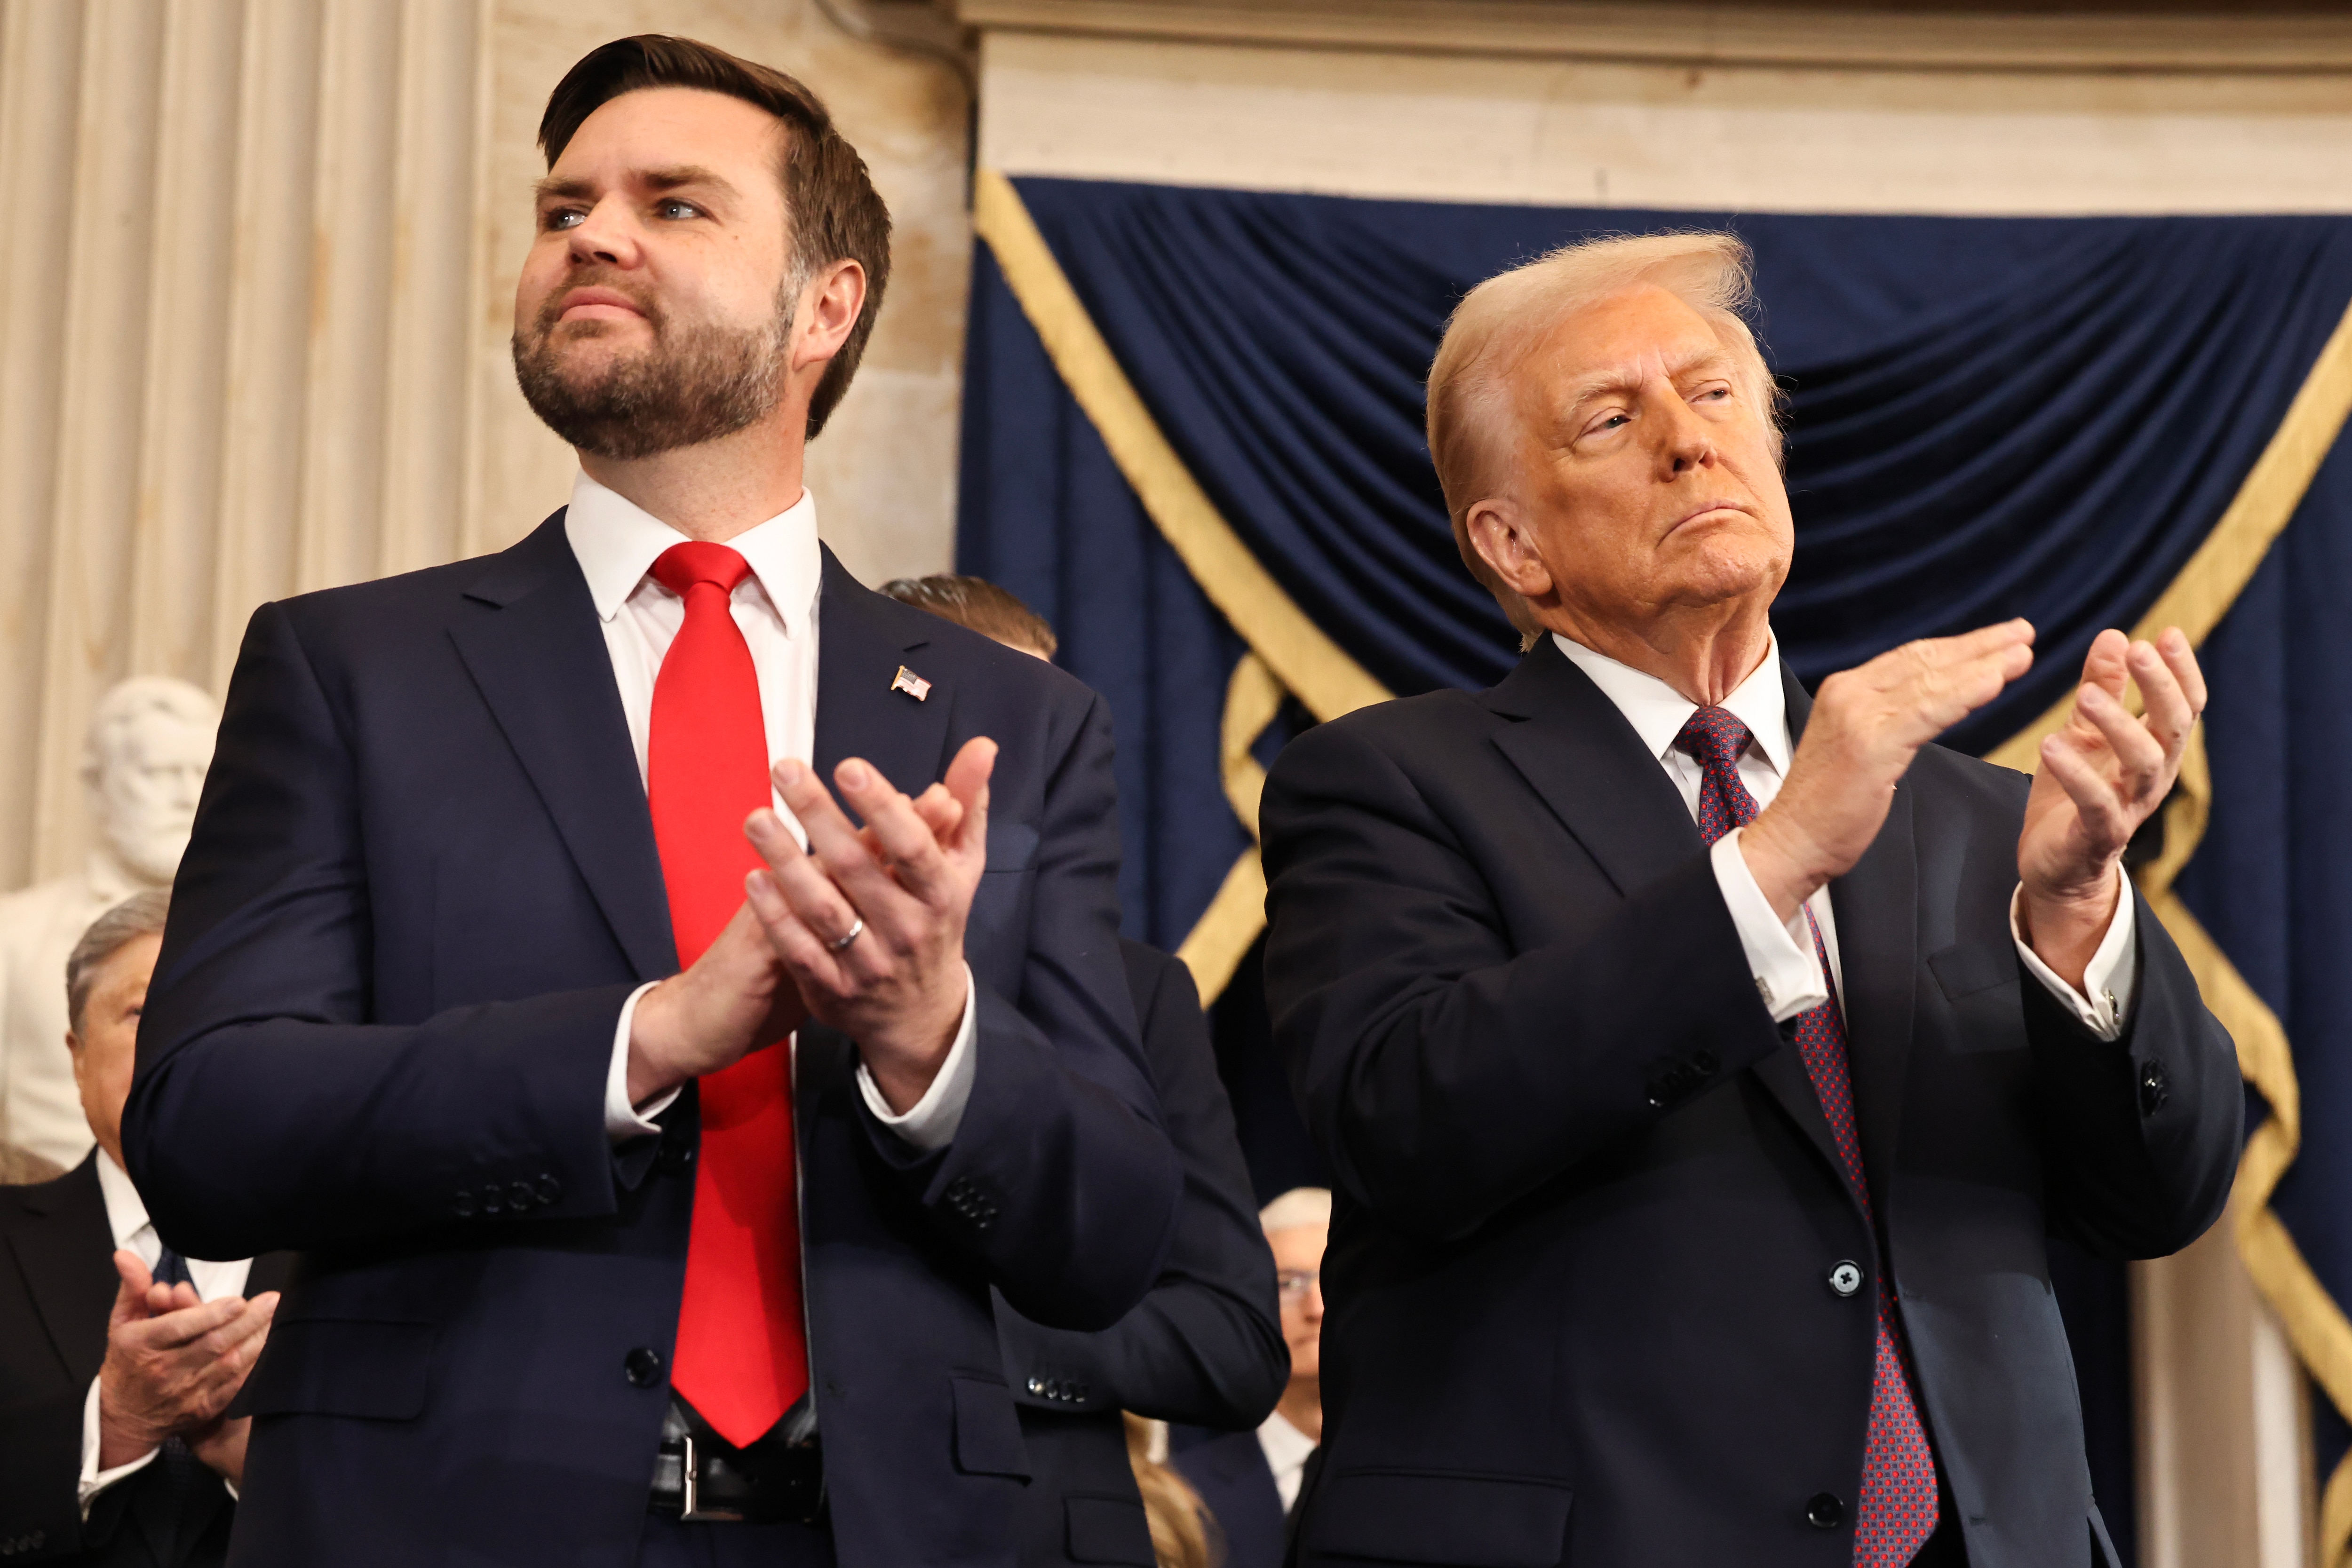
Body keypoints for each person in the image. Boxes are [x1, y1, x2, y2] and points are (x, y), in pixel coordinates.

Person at [124, 36, 1179, 1568]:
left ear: (828, 305)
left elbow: (1112, 1234)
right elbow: (208, 1124)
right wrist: (650, 1038)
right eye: (565, 208)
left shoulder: (1009, 717)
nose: (593, 235)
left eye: (675, 205)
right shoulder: (354, 667)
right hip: (444, 1521)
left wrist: (929, 1041)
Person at [1259, 232, 2241, 1568]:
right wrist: (1774, 860)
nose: (1686, 441)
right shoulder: (1384, 782)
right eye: (1612, 418)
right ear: (1514, 543)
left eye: (1715, 394)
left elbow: (2162, 1199)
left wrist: (2076, 912)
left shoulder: (1984, 821)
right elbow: (1408, 1116)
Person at [879, 572, 1288, 1568]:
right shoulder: (749, 953)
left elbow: (1230, 1341)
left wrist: (956, 1350)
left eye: (1061, 723)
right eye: (1009, 721)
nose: (1046, 762)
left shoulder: (1140, 994)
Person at [0, 891, 286, 1567]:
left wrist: (275, 1468)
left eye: (212, 1011)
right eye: (140, 1011)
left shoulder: (362, 1248)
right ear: (77, 1056)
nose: (176, 1039)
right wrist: (112, 1424)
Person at [0, 679, 216, 1169]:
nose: (187, 796)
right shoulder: (12, 935)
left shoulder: (270, 938)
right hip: (43, 1225)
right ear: (96, 783)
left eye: (203, 772)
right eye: (159, 773)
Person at [1168, 1188, 1326, 1568]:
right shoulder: (1179, 1488)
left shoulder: (1427, 1471)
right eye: (1289, 1284)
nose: (1317, 1308)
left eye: (1337, 1280)